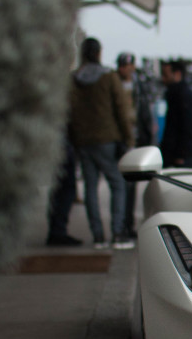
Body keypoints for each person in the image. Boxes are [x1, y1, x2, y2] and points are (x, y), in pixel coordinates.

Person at [68, 37, 134, 250]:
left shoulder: (74, 79)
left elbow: (68, 110)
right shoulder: (109, 77)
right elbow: (122, 109)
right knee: (117, 184)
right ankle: (117, 233)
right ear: (99, 53)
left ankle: (98, 236)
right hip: (107, 140)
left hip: (83, 141)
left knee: (90, 188)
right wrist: (128, 138)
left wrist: (74, 137)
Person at [116, 52, 155, 239]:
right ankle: (121, 225)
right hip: (119, 139)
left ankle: (126, 224)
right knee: (121, 186)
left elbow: (145, 112)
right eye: (124, 65)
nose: (127, 69)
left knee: (129, 186)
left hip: (135, 138)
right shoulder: (114, 84)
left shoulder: (138, 85)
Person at [159, 58, 192, 169]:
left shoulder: (183, 96)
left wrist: (181, 154)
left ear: (177, 74)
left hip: (181, 157)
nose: (163, 79)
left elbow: (189, 127)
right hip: (176, 154)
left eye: (165, 75)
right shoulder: (175, 95)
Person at [45, 129, 81, 246]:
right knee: (65, 190)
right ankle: (58, 231)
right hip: (62, 144)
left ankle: (57, 230)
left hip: (59, 142)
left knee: (61, 189)